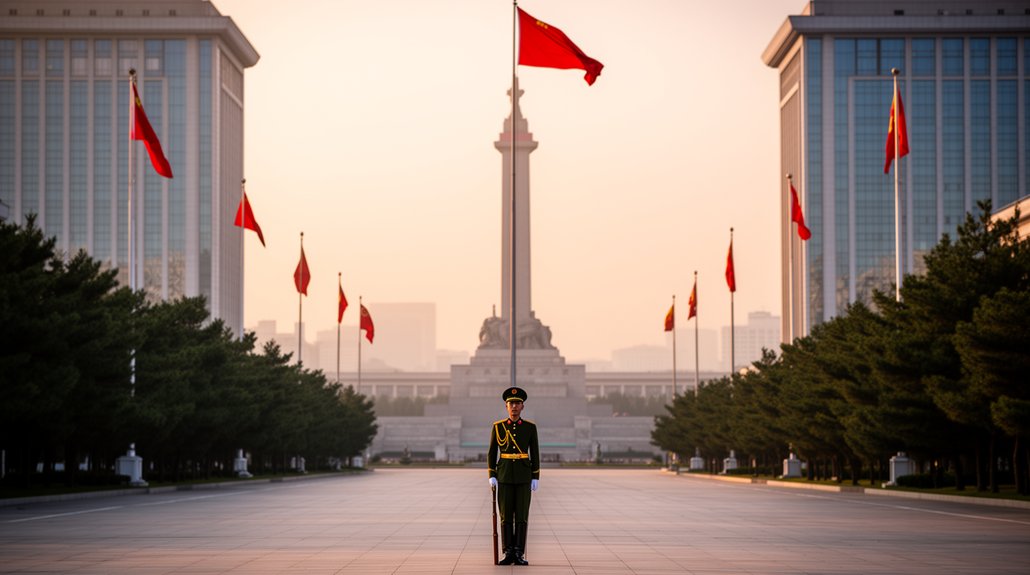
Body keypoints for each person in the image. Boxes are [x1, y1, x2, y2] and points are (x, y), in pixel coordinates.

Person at [487, 386, 539, 566]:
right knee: (506, 516)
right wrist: (492, 474)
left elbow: (535, 453)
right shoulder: (498, 427)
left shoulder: (530, 428)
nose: (514, 407)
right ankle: (508, 551)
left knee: (522, 516)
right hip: (505, 475)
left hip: (524, 476)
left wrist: (535, 476)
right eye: (511, 404)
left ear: (522, 406)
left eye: (517, 403)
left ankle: (519, 552)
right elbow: (492, 452)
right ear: (506, 406)